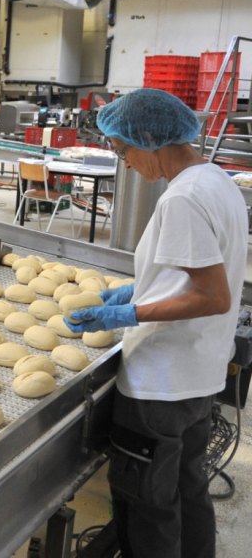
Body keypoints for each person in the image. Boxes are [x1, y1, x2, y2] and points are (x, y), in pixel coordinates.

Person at [65, 88, 247, 558]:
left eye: (123, 149)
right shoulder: (216, 180)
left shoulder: (181, 199)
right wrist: (139, 288)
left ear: (150, 139)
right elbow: (202, 271)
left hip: (160, 385)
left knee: (148, 505)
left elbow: (212, 294)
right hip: (199, 374)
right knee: (187, 491)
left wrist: (130, 312)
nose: (124, 162)